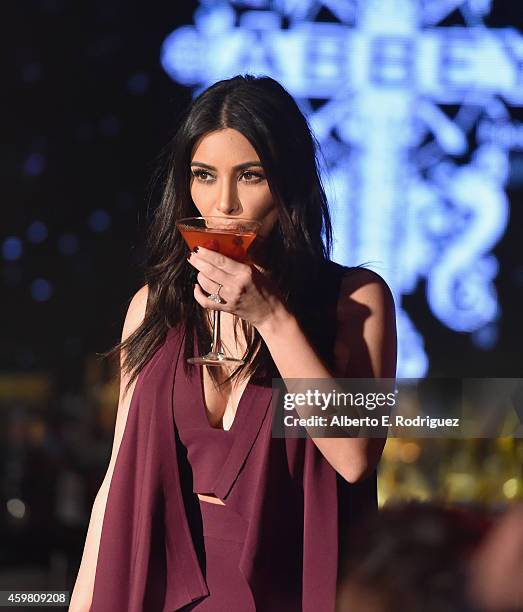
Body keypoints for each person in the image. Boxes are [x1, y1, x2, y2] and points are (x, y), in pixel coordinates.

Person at [69, 74, 397, 612]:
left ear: (288, 183)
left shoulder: (355, 300)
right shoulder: (153, 308)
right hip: (165, 593)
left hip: (290, 591)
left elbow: (355, 456)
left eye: (250, 176)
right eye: (203, 176)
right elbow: (115, 486)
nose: (223, 203)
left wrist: (271, 317)